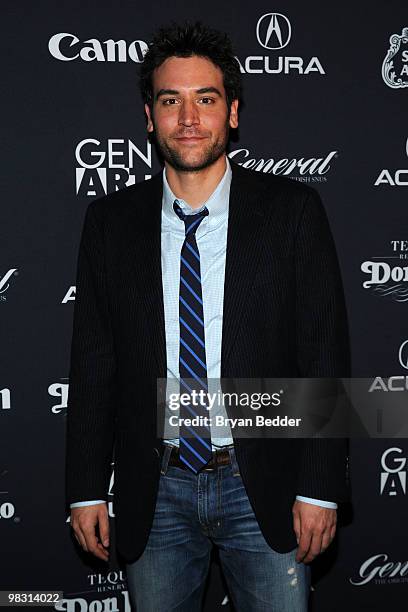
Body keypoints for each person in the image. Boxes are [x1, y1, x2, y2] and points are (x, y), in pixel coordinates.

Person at [66, 21, 351, 611]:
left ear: (234, 112)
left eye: (206, 98)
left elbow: (324, 351)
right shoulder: (110, 224)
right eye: (171, 100)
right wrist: (85, 489)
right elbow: (95, 365)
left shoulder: (293, 211)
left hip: (265, 487)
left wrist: (321, 491)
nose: (188, 118)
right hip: (156, 488)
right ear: (150, 117)